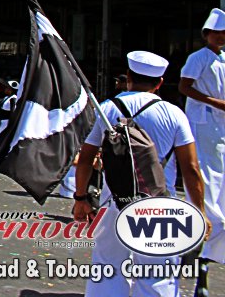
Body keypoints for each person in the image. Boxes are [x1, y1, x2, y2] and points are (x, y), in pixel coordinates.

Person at [75, 50, 208, 297]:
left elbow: (85, 158)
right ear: (159, 83)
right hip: (158, 201)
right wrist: (199, 211)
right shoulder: (173, 113)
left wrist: (81, 198)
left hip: (114, 200)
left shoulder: (108, 108)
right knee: (157, 274)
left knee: (108, 267)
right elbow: (190, 169)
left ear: (128, 77)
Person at [179, 8, 225, 269]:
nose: (220, 37)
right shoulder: (198, 58)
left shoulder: (224, 59)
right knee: (206, 174)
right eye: (216, 33)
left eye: (224, 33)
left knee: (221, 176)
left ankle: (217, 238)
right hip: (205, 121)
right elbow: (185, 87)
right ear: (207, 34)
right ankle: (205, 230)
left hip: (221, 125)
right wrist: (216, 103)